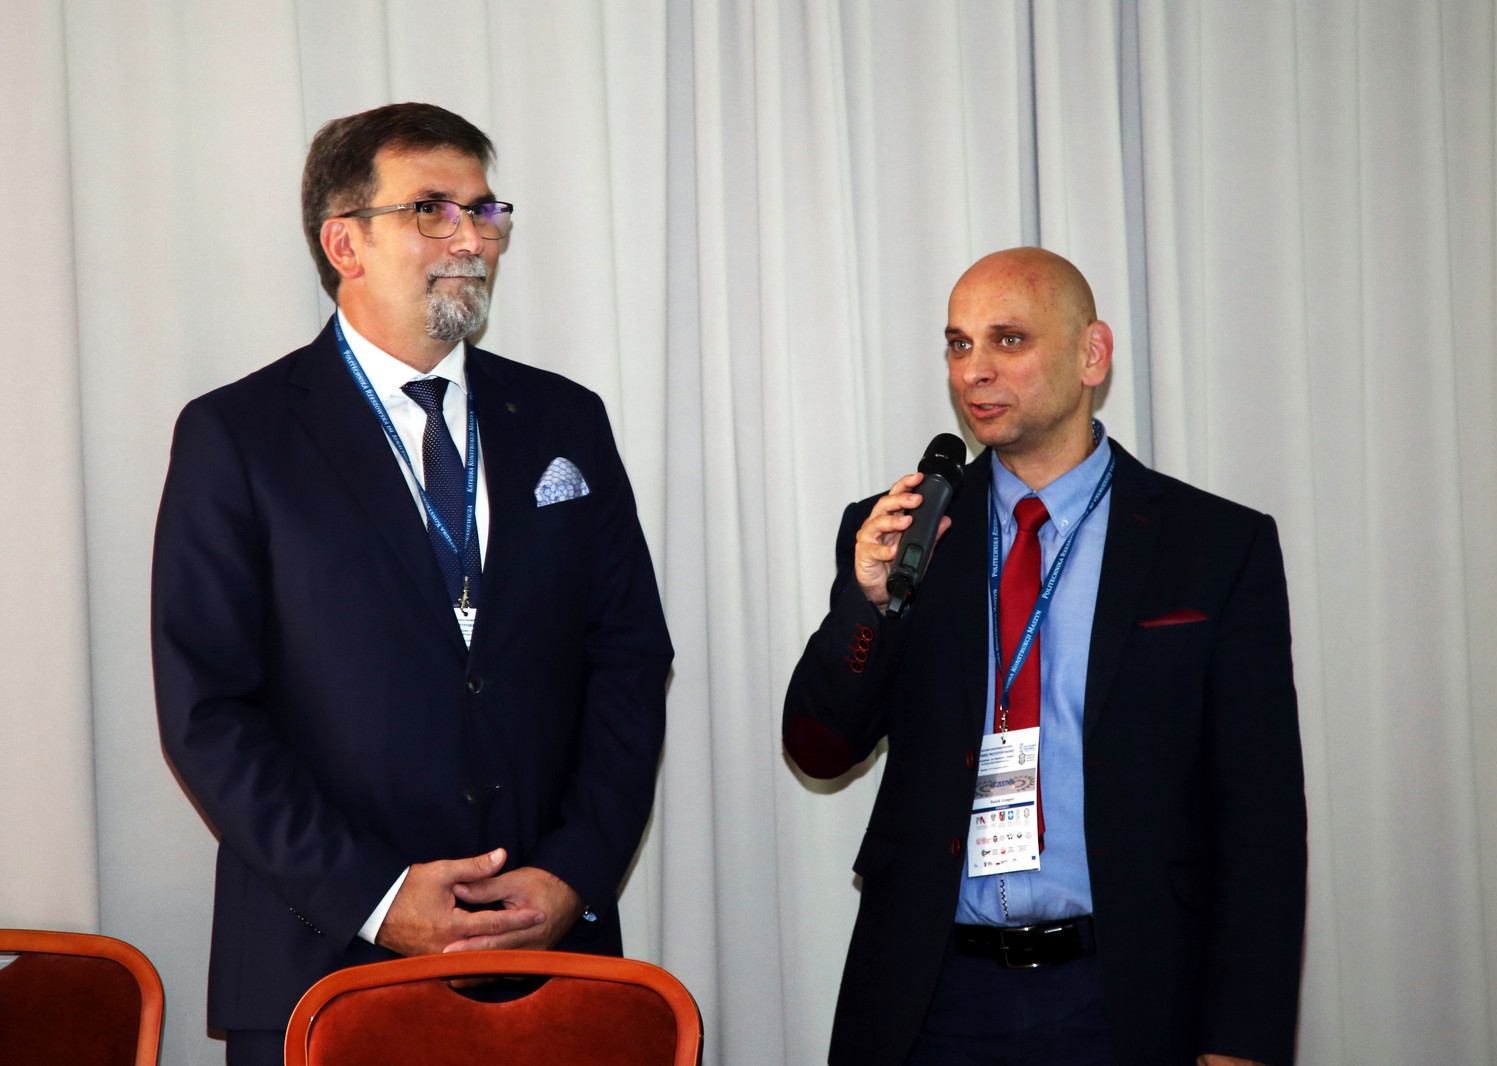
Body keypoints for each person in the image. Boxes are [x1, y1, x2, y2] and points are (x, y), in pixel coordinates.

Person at [152, 102, 672, 1065]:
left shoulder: (564, 419)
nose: (472, 240)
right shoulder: (238, 435)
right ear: (344, 242)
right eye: (433, 210)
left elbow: (631, 661)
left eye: (485, 211)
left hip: (549, 958)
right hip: (322, 961)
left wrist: (572, 871)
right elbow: (207, 711)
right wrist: (377, 897)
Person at [784, 248, 1305, 1066]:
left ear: (1092, 354)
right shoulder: (902, 534)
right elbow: (819, 748)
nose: (975, 371)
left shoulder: (1214, 547)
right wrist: (868, 603)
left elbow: (1262, 817)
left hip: (1126, 991)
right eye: (959, 345)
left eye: (1009, 340)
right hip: (931, 993)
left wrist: (1241, 1040)